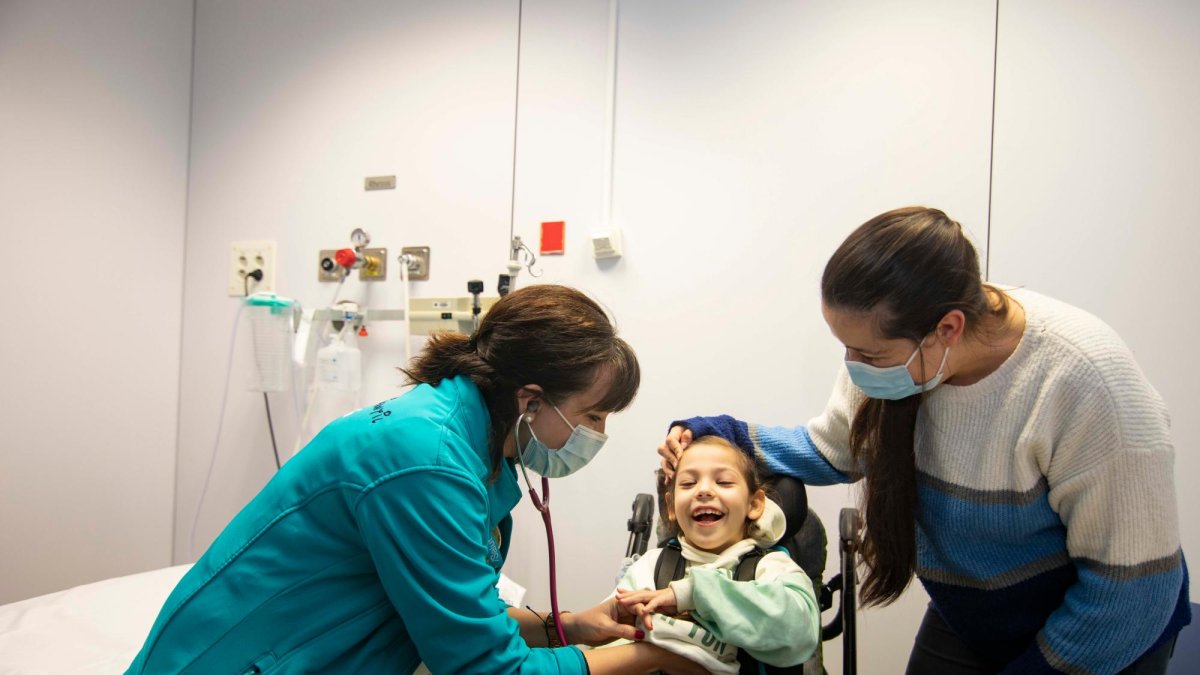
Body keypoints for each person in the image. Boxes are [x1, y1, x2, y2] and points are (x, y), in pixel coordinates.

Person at [658, 207, 1190, 675]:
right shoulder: (897, 355)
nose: (853, 367)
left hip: (1107, 630)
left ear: (949, 329)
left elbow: (1130, 593)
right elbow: (834, 448)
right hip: (972, 614)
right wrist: (716, 431)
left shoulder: (1085, 381)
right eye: (846, 348)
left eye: (868, 355)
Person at [127, 284, 706, 675]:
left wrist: (573, 625)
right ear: (531, 401)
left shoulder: (472, 448)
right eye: (593, 417)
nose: (598, 435)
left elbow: (448, 607)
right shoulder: (425, 460)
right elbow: (483, 667)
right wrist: (651, 657)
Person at [613, 435, 821, 675]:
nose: (703, 490)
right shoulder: (651, 567)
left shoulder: (773, 568)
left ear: (754, 504)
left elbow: (800, 633)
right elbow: (612, 637)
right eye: (689, 483)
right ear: (671, 507)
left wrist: (695, 594)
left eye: (723, 482)